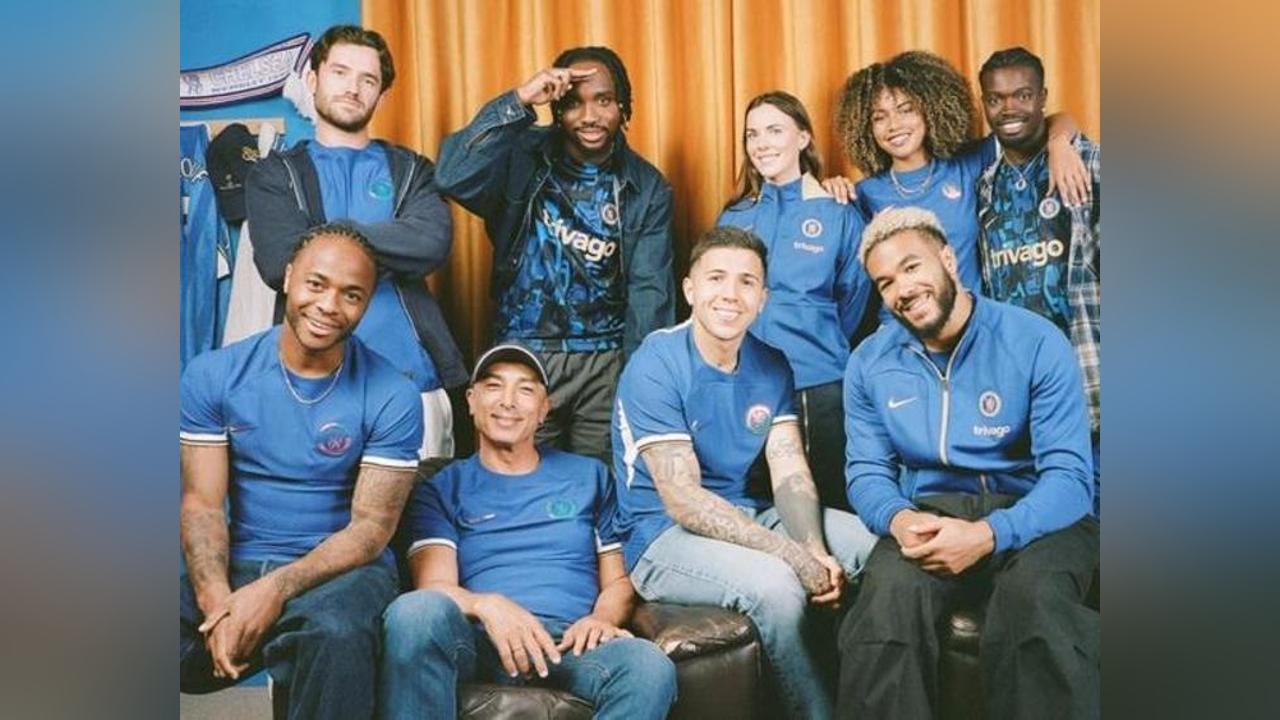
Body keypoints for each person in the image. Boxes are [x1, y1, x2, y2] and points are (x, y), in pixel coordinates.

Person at [836, 207, 1098, 719]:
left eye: (912, 267)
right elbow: (866, 472)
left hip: (1038, 513)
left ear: (949, 259)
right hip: (934, 510)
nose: (902, 289)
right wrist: (900, 519)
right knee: (883, 604)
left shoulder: (1035, 339)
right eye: (885, 282)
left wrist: (989, 535)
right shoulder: (868, 362)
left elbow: (1070, 479)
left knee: (1034, 601)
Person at [613, 226, 877, 720]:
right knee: (777, 584)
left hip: (751, 512)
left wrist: (815, 548)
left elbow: (789, 471)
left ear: (763, 299)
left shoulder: (771, 363)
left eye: (747, 281)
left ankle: (875, 705)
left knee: (872, 547)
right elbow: (683, 499)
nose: (731, 294)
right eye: (716, 278)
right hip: (662, 536)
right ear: (690, 289)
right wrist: (793, 555)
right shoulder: (656, 361)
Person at [179, 224, 424, 720]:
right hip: (240, 561)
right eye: (317, 284)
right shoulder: (215, 374)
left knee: (335, 633)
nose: (329, 305)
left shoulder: (393, 394)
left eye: (351, 295)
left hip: (340, 573)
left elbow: (371, 531)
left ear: (367, 302)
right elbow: (203, 504)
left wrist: (273, 590)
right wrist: (218, 601)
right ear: (289, 277)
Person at [379, 344, 677, 720]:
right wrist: (488, 606)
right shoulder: (441, 488)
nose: (508, 401)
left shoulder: (590, 476)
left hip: (569, 644)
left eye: (524, 389)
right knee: (414, 612)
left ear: (543, 408)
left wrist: (601, 619)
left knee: (648, 665)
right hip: (482, 640)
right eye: (494, 386)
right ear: (471, 401)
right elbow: (434, 587)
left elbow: (618, 580)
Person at [435, 45, 675, 467]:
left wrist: (639, 381)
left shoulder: (647, 186)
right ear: (557, 109)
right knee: (521, 481)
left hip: (605, 363)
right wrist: (521, 100)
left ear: (624, 107)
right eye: (574, 104)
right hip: (526, 355)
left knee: (602, 484)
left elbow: (650, 293)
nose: (589, 116)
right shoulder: (520, 157)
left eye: (603, 100)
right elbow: (452, 175)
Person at [245, 25, 468, 460]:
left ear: (381, 96)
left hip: (414, 381)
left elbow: (431, 242)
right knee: (317, 502)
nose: (353, 88)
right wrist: (387, 247)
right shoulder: (274, 175)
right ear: (313, 80)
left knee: (422, 502)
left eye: (368, 80)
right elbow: (279, 263)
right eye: (340, 72)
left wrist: (329, 236)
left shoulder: (412, 170)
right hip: (311, 384)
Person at [832, 49, 1089, 323]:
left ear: (931, 108)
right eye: (879, 117)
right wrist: (830, 187)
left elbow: (1049, 121)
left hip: (973, 327)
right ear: (866, 128)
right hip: (903, 333)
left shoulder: (968, 163)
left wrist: (1059, 143)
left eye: (906, 110)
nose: (894, 125)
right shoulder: (863, 195)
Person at [717, 91, 872, 512]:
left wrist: (813, 341)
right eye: (752, 134)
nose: (761, 143)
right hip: (745, 385)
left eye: (774, 131)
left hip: (819, 387)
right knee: (755, 509)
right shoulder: (734, 217)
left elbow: (854, 299)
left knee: (828, 507)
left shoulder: (838, 212)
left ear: (803, 138)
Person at [976, 46, 1101, 511]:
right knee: (1057, 523)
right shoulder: (986, 185)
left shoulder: (1088, 163)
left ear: (1043, 97)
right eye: (996, 99)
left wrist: (1061, 143)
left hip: (1091, 377)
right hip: (1023, 391)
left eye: (1023, 95)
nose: (1008, 108)